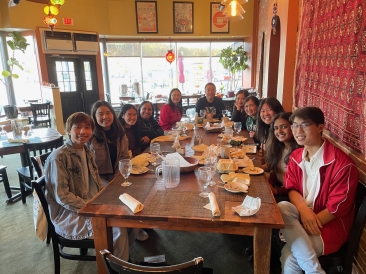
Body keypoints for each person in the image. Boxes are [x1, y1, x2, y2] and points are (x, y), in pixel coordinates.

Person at [277, 107, 359, 273]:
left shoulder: (343, 165)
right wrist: (302, 212)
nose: (297, 131)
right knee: (282, 207)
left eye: (305, 125)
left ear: (320, 127)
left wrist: (297, 227)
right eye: (294, 125)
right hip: (303, 215)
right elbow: (291, 188)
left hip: (329, 224)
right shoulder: (296, 156)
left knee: (291, 256)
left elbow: (336, 208)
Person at [44, 112, 135, 261]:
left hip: (92, 202)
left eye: (87, 127)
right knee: (118, 228)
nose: (83, 131)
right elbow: (62, 197)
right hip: (71, 214)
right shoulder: (58, 157)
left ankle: (118, 258)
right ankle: (116, 267)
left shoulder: (87, 151)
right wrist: (91, 207)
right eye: (77, 127)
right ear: (68, 130)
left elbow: (96, 182)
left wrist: (106, 198)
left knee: (130, 214)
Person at [87, 100, 129, 183]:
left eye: (108, 113)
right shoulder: (90, 136)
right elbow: (88, 165)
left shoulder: (120, 133)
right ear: (94, 117)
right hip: (98, 180)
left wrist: (120, 176)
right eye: (100, 114)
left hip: (118, 175)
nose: (105, 117)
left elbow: (125, 157)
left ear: (113, 114)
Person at [265, 112, 301, 202]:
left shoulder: (299, 153)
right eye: (276, 128)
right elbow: (274, 172)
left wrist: (276, 191)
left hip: (293, 196)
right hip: (280, 189)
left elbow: (297, 185)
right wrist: (269, 185)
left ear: (294, 128)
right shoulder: (278, 148)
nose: (279, 131)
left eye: (284, 127)